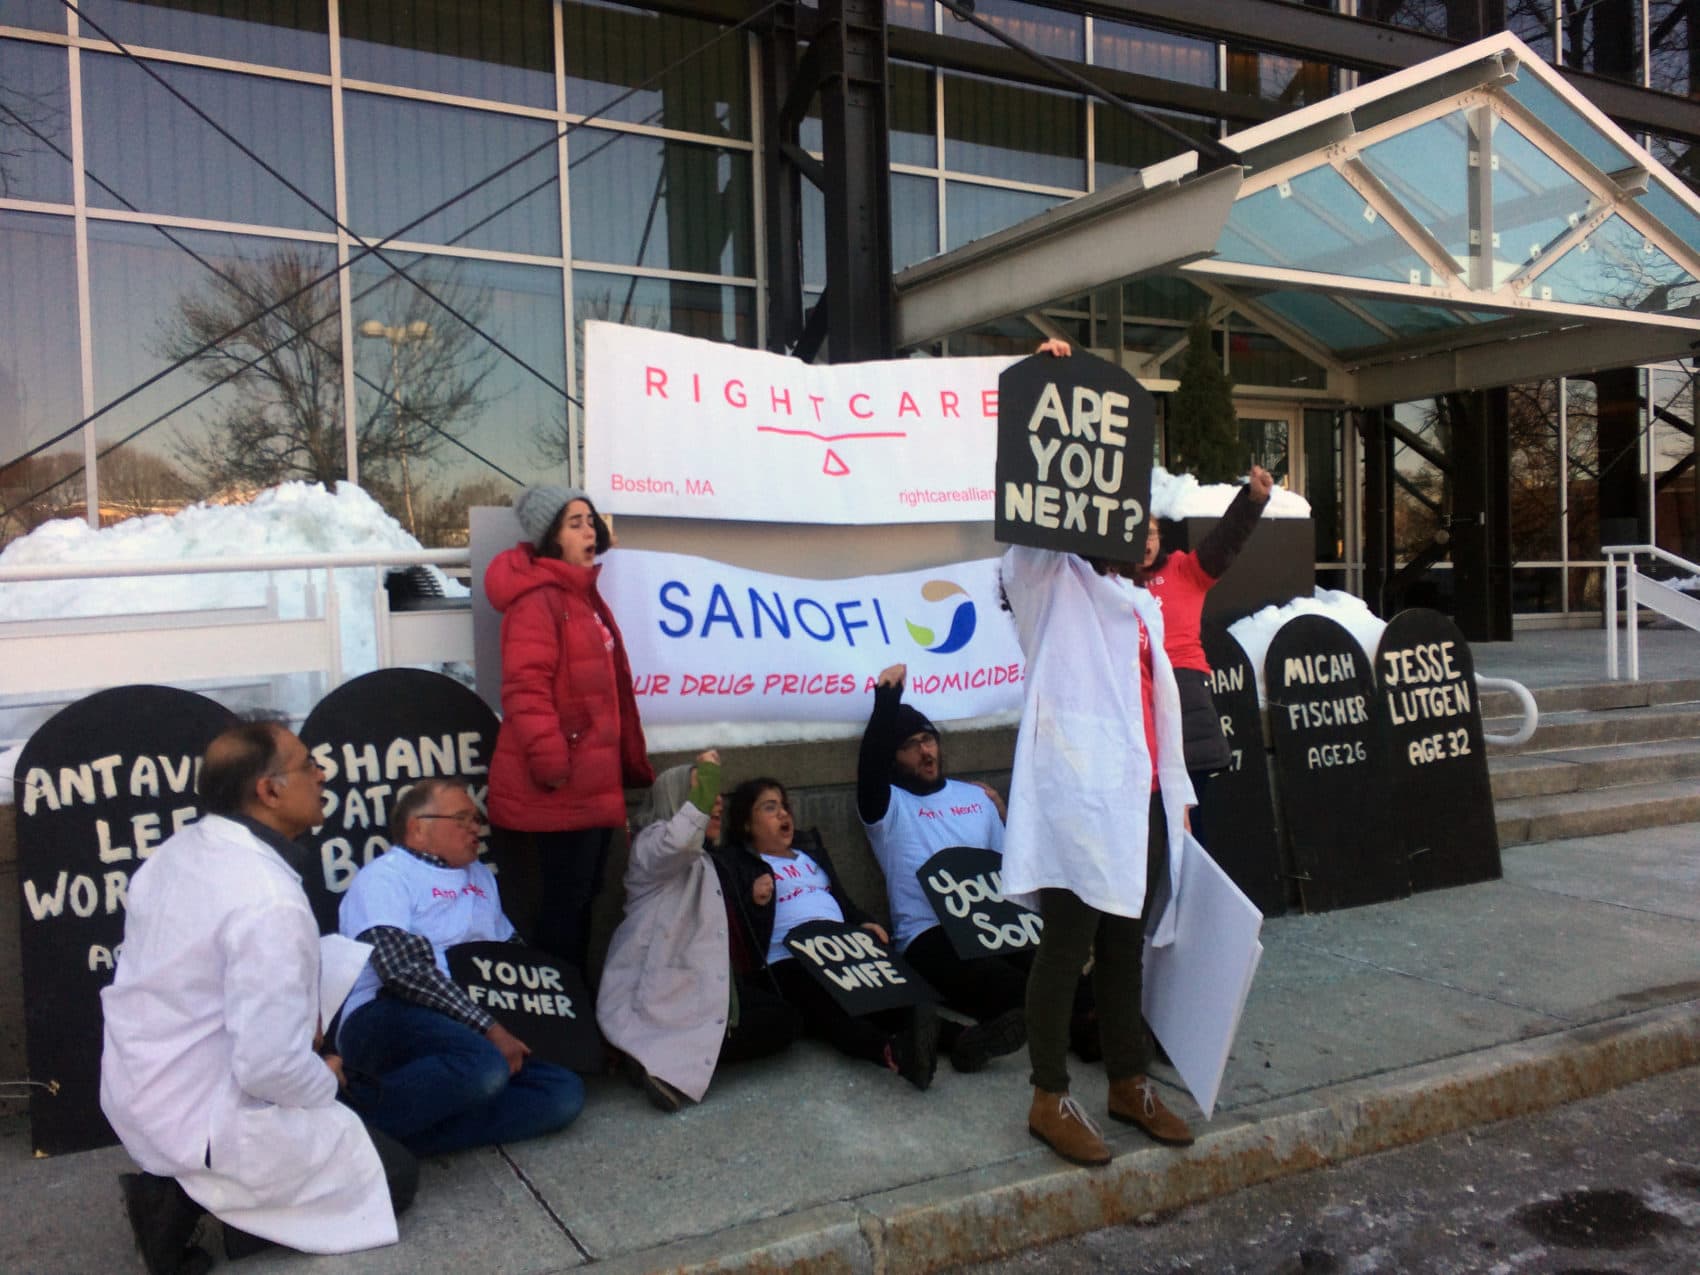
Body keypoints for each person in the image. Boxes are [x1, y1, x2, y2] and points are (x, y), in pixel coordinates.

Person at [101, 720, 413, 1275]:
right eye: (307, 766)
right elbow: (267, 1067)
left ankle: (204, 1191)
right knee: (393, 1175)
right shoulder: (266, 899)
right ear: (268, 791)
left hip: (143, 1089)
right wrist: (327, 1078)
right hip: (205, 1112)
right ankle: (192, 1207)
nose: (322, 775)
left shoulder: (180, 849)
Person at [997, 337, 1197, 1168]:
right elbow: (1030, 535)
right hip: (1080, 796)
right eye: (1122, 516)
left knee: (1123, 943)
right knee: (1068, 942)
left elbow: (1162, 718)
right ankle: (1049, 1094)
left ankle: (1127, 1079)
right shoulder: (1053, 583)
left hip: (1138, 795)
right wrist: (1053, 379)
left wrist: (1176, 794)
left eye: (1144, 522)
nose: (1135, 532)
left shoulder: (1140, 606)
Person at [336, 778, 586, 1157]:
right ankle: (348, 1131)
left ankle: (400, 1134)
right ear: (418, 829)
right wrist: (488, 1028)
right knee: (483, 1067)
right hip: (387, 1014)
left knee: (563, 1092)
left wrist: (571, 1031)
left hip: (474, 1020)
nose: (476, 827)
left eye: (477, 818)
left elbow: (515, 958)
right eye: (462, 818)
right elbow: (401, 970)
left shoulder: (482, 877)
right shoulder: (386, 876)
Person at [485, 484, 655, 974]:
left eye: (589, 521)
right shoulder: (538, 600)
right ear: (550, 537)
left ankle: (573, 1018)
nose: (588, 530)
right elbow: (525, 688)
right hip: (559, 787)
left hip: (590, 783)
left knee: (582, 900)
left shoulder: (581, 596)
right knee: (564, 907)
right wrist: (553, 763)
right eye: (574, 523)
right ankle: (559, 1020)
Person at [599, 750, 800, 1112]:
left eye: (716, 794)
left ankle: (662, 1054)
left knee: (783, 1019)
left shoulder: (706, 859)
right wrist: (706, 775)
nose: (715, 802)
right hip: (659, 988)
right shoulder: (651, 844)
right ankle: (658, 1061)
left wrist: (756, 904)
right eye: (703, 793)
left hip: (701, 985)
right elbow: (679, 842)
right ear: (676, 800)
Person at [714, 778, 939, 1089]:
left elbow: (844, 902)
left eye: (785, 807)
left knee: (892, 991)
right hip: (787, 958)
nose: (783, 815)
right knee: (830, 999)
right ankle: (891, 1052)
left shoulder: (810, 855)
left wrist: (862, 922)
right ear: (746, 824)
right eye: (770, 808)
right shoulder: (738, 864)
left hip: (840, 946)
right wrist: (754, 901)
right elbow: (738, 935)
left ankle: (959, 1038)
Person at [857, 663, 1027, 1073]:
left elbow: (1011, 871)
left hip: (996, 921)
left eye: (928, 739)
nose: (926, 751)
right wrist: (886, 702)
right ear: (895, 757)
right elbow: (870, 769)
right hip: (929, 935)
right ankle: (983, 1036)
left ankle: (1092, 1028)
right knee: (1006, 983)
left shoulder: (978, 797)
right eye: (911, 745)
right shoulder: (888, 808)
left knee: (1055, 968)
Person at [1138, 463, 1274, 832]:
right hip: (1135, 700)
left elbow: (1224, 542)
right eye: (1136, 534)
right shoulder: (1112, 583)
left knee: (1192, 823)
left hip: (1185, 697)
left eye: (1151, 532)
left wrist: (1252, 500)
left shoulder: (1185, 570)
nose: (1146, 541)